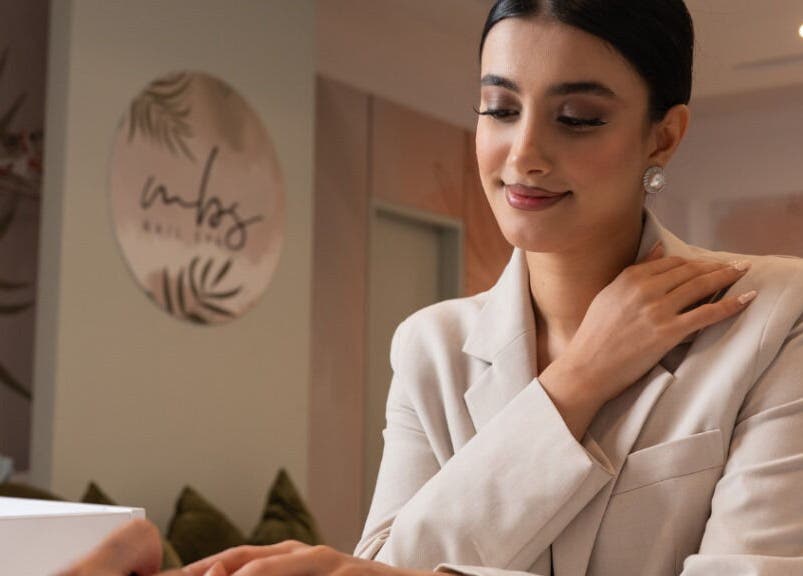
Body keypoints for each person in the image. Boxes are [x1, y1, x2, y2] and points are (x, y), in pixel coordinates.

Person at [62, 0, 803, 574]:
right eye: (499, 109)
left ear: (662, 136)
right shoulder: (431, 346)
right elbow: (388, 564)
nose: (523, 154)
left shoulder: (773, 318)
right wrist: (574, 383)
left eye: (577, 118)